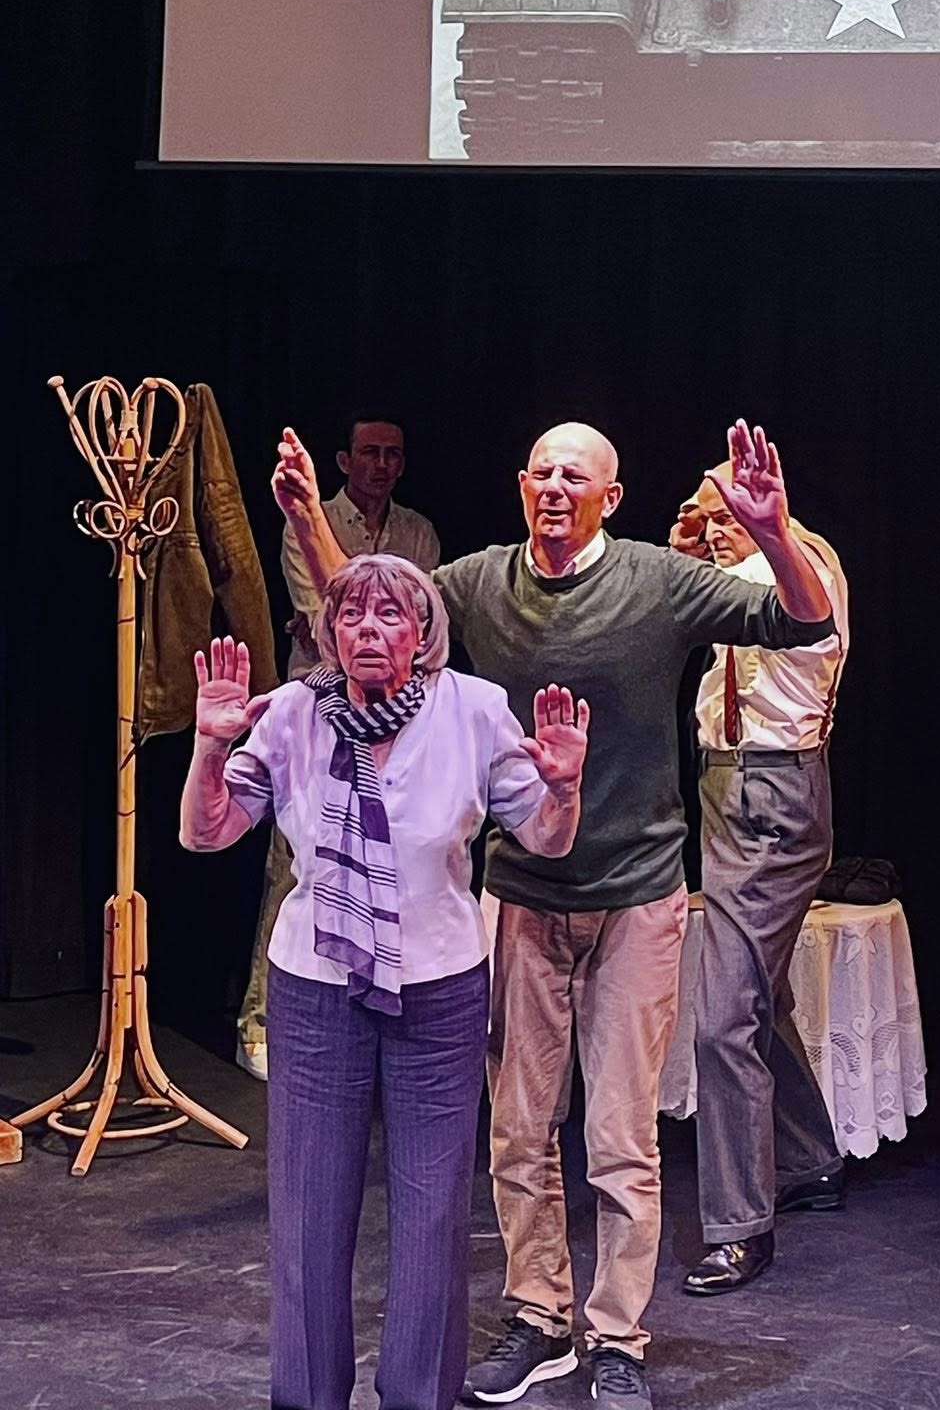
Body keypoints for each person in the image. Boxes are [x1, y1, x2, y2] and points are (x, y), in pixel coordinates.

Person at [274, 417, 834, 1410]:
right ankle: (539, 1317)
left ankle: (617, 1334)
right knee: (520, 1130)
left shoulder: (659, 581)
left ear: (610, 497)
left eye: (576, 475)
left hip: (636, 896)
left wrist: (772, 532)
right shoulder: (484, 582)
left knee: (621, 1135)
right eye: (542, 471)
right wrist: (310, 522)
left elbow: (800, 621)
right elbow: (370, 604)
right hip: (523, 895)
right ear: (522, 484)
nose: (556, 487)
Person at [180, 554, 589, 1410]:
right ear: (330, 633)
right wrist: (210, 747)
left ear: (423, 631)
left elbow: (548, 840)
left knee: (433, 1212)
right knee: (309, 1212)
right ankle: (308, 1398)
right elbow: (207, 833)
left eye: (390, 615)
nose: (369, 630)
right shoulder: (292, 714)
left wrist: (565, 788)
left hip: (438, 988)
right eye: (352, 616)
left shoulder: (474, 711)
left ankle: (417, 1396)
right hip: (316, 985)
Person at [667, 472, 850, 1295]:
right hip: (732, 787)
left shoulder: (791, 566)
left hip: (769, 793)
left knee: (722, 1018)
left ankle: (742, 1228)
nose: (712, 531)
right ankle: (810, 1159)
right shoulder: (752, 566)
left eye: (723, 516)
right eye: (704, 517)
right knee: (757, 997)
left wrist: (676, 558)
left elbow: (687, 600)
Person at [238, 412, 440, 1081]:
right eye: (369, 453)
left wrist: (353, 618)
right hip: (319, 712)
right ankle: (260, 1020)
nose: (381, 464)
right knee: (296, 864)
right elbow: (330, 615)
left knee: (391, 859)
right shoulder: (309, 520)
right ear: (345, 461)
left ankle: (375, 1014)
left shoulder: (418, 531)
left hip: (403, 719)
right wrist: (354, 617)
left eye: (393, 453)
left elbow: (422, 622)